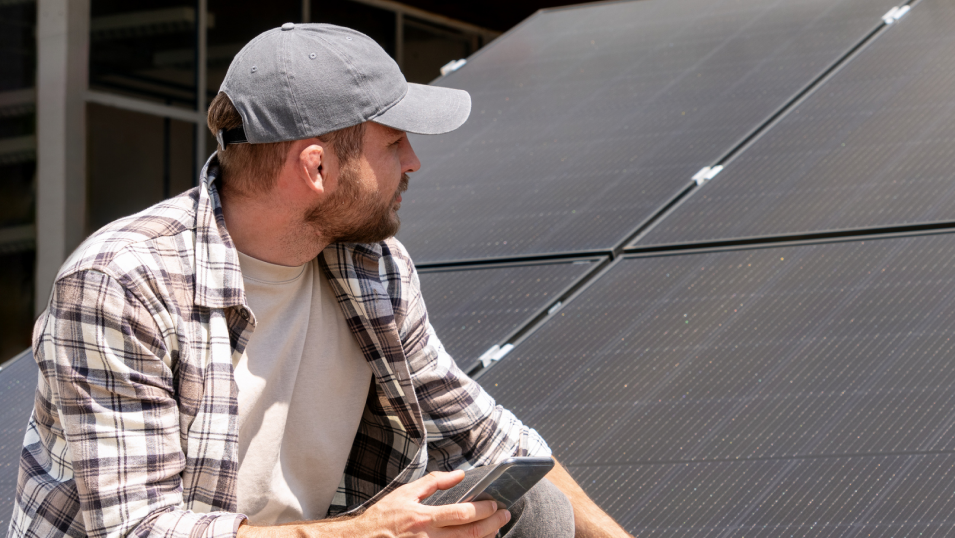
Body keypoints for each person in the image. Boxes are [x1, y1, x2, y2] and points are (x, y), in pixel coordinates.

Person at [9, 23, 631, 538]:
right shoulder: (123, 283)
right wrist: (369, 531)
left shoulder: (372, 265)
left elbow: (487, 439)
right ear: (316, 166)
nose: (413, 160)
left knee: (530, 511)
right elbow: (137, 531)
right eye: (393, 142)